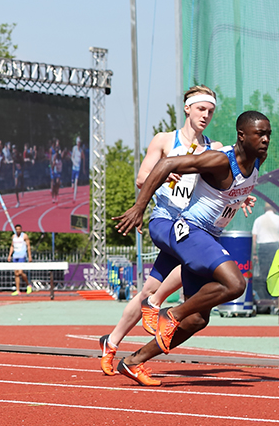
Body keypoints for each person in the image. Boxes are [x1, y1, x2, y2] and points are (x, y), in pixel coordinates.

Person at [113, 111, 269, 386]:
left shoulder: (258, 160)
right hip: (190, 231)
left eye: (269, 134)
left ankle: (134, 361)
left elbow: (233, 193)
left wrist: (240, 199)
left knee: (197, 319)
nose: (266, 139)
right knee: (235, 284)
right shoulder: (220, 161)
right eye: (260, 134)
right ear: (241, 136)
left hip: (209, 238)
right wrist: (139, 207)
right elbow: (166, 164)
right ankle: (171, 314)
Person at [98, 85, 222, 375]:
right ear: (188, 108)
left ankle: (111, 341)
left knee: (147, 289)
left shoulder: (213, 148)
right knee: (188, 264)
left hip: (193, 225)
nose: (206, 115)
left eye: (211, 111)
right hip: (168, 220)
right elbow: (142, 177)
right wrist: (164, 176)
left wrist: (240, 196)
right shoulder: (166, 140)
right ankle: (155, 305)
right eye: (201, 109)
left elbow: (224, 182)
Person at [250, 204, 279, 304]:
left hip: (263, 247)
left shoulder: (258, 220)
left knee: (264, 273)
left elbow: (254, 238)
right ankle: (275, 297)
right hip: (275, 247)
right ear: (274, 209)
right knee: (275, 272)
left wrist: (254, 253)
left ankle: (264, 298)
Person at [8, 224, 32, 296]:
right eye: (17, 229)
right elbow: (12, 246)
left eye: (19, 229)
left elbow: (28, 246)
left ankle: (28, 285)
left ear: (21, 229)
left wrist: (29, 256)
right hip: (15, 256)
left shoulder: (24, 236)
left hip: (22, 255)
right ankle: (17, 290)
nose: (18, 230)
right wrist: (10, 255)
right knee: (16, 273)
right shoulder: (13, 237)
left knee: (20, 272)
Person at [71, 137, 85, 201]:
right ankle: (73, 188)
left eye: (79, 142)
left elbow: (83, 158)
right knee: (73, 185)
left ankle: (74, 197)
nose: (79, 143)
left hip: (78, 168)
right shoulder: (74, 148)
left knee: (76, 182)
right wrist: (73, 162)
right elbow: (72, 157)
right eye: (78, 142)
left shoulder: (81, 150)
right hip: (74, 167)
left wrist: (83, 168)